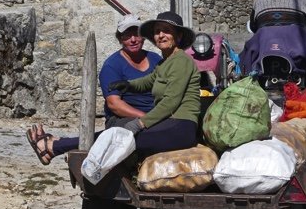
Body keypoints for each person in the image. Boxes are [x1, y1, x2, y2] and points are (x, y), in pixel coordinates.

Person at [26, 14, 161, 165]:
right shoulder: (112, 66)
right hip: (124, 119)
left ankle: (55, 145)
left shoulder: (156, 59)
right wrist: (147, 118)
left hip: (156, 115)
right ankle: (57, 146)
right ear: (120, 39)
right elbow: (114, 105)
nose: (133, 39)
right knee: (130, 133)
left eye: (136, 34)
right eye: (127, 36)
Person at [109, 11, 201, 158]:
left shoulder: (181, 61)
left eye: (167, 31)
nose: (161, 35)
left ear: (178, 36)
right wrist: (128, 85)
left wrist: (140, 123)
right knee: (117, 135)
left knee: (121, 141)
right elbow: (148, 81)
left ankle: (69, 148)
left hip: (181, 126)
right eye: (157, 31)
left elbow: (171, 101)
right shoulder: (164, 62)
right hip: (170, 123)